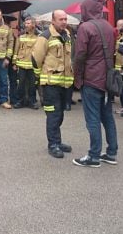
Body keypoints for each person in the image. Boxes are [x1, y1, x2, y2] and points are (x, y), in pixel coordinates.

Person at [71, 0, 118, 168]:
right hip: (106, 78)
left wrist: (77, 77)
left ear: (86, 9)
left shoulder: (85, 27)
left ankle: (93, 156)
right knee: (107, 117)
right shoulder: (108, 26)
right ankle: (111, 153)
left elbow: (80, 55)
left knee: (92, 118)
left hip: (91, 78)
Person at [32, 10, 74, 159]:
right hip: (50, 84)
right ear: (53, 21)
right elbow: (36, 58)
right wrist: (38, 77)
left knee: (60, 114)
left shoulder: (67, 35)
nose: (64, 21)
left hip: (64, 84)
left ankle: (58, 141)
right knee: (53, 115)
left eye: (65, 19)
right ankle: (53, 145)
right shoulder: (45, 37)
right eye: (60, 19)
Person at [12, 16, 38, 109]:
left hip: (32, 66)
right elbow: (16, 50)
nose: (26, 25)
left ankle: (32, 102)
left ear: (33, 25)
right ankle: (20, 101)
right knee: (20, 84)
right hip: (21, 65)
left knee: (32, 85)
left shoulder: (38, 38)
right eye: (25, 23)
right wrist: (14, 63)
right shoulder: (21, 37)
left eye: (28, 23)